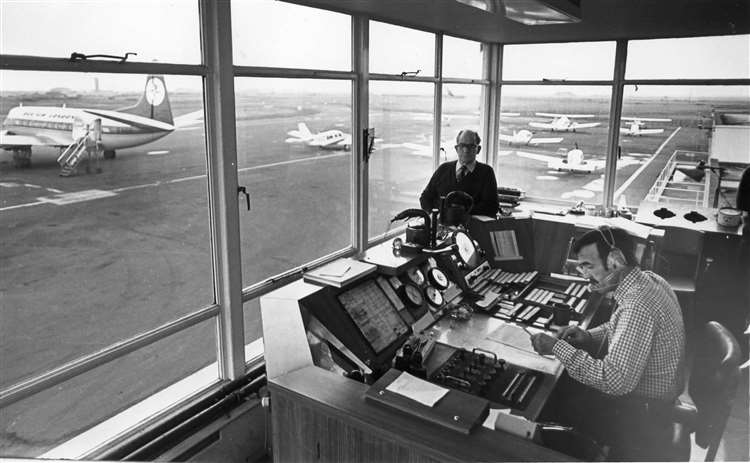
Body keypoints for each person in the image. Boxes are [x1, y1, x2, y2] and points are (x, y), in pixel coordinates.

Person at [530, 226, 686, 461]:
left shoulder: (637, 305)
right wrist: (588, 336)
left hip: (640, 413)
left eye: (588, 266)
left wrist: (556, 348)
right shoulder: (651, 280)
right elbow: (622, 326)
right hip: (656, 400)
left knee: (548, 406)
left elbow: (614, 381)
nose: (584, 275)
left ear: (615, 260)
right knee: (564, 389)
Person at [419, 129, 499, 218]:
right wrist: (432, 215)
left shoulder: (486, 173)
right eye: (462, 145)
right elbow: (425, 198)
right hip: (440, 226)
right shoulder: (443, 169)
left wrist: (460, 213)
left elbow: (492, 207)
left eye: (471, 146)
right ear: (456, 148)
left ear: (478, 149)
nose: (465, 150)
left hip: (470, 227)